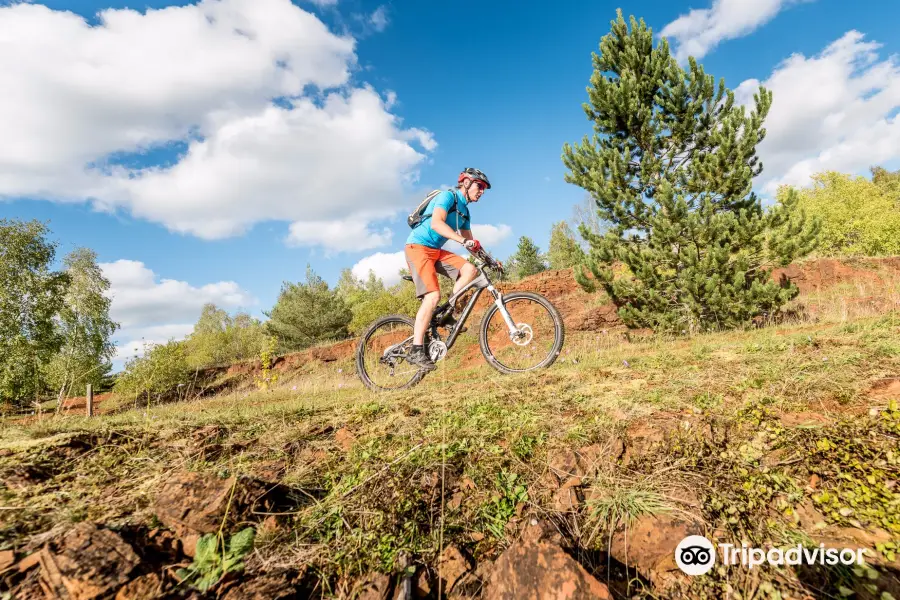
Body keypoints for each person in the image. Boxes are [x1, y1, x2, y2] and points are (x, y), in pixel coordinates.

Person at [404, 167, 491, 371]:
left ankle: (446, 314)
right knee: (432, 296)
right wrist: (462, 241)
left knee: (470, 270)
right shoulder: (447, 196)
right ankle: (416, 350)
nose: (482, 191)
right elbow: (436, 224)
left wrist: (490, 260)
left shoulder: (465, 211)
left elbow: (472, 243)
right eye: (480, 186)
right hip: (418, 248)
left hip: (435, 251)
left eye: (484, 189)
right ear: (467, 183)